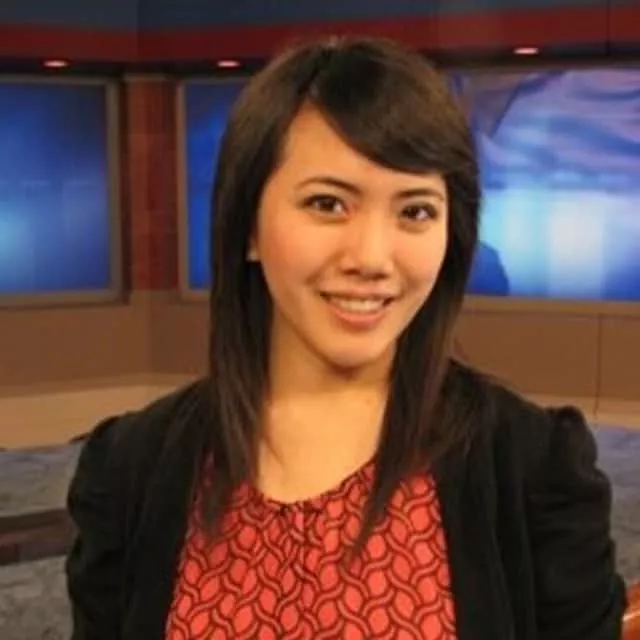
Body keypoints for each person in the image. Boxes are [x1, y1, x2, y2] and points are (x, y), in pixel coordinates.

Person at [65, 36, 626, 639]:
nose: (372, 258)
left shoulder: (534, 468)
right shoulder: (131, 469)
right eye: (328, 203)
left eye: (415, 211)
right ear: (248, 226)